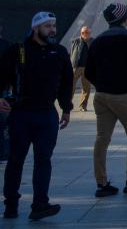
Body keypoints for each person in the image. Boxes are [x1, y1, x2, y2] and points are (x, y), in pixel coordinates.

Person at [0, 12, 72, 221]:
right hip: (21, 114)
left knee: (44, 160)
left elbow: (66, 82)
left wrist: (66, 108)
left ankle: (40, 205)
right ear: (35, 28)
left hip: (47, 115)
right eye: (48, 26)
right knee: (15, 160)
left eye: (54, 26)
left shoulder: (59, 52)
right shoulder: (18, 51)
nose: (53, 30)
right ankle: (10, 205)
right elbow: (1, 74)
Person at [85, 3, 127, 197]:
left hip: (101, 95)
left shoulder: (97, 41)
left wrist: (102, 84)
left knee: (102, 139)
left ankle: (101, 183)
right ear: (124, 18)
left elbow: (89, 71)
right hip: (124, 94)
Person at [70, 25, 92, 112]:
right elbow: (72, 53)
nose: (85, 34)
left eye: (87, 32)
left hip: (87, 68)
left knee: (86, 88)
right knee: (71, 86)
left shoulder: (92, 41)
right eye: (83, 32)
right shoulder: (75, 41)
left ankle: (83, 106)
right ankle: (67, 104)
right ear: (81, 33)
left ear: (90, 33)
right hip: (76, 67)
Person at [0, 26, 11, 163]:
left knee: (3, 122)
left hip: (3, 90)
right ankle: (4, 152)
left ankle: (4, 151)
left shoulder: (7, 46)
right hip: (4, 90)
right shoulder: (8, 45)